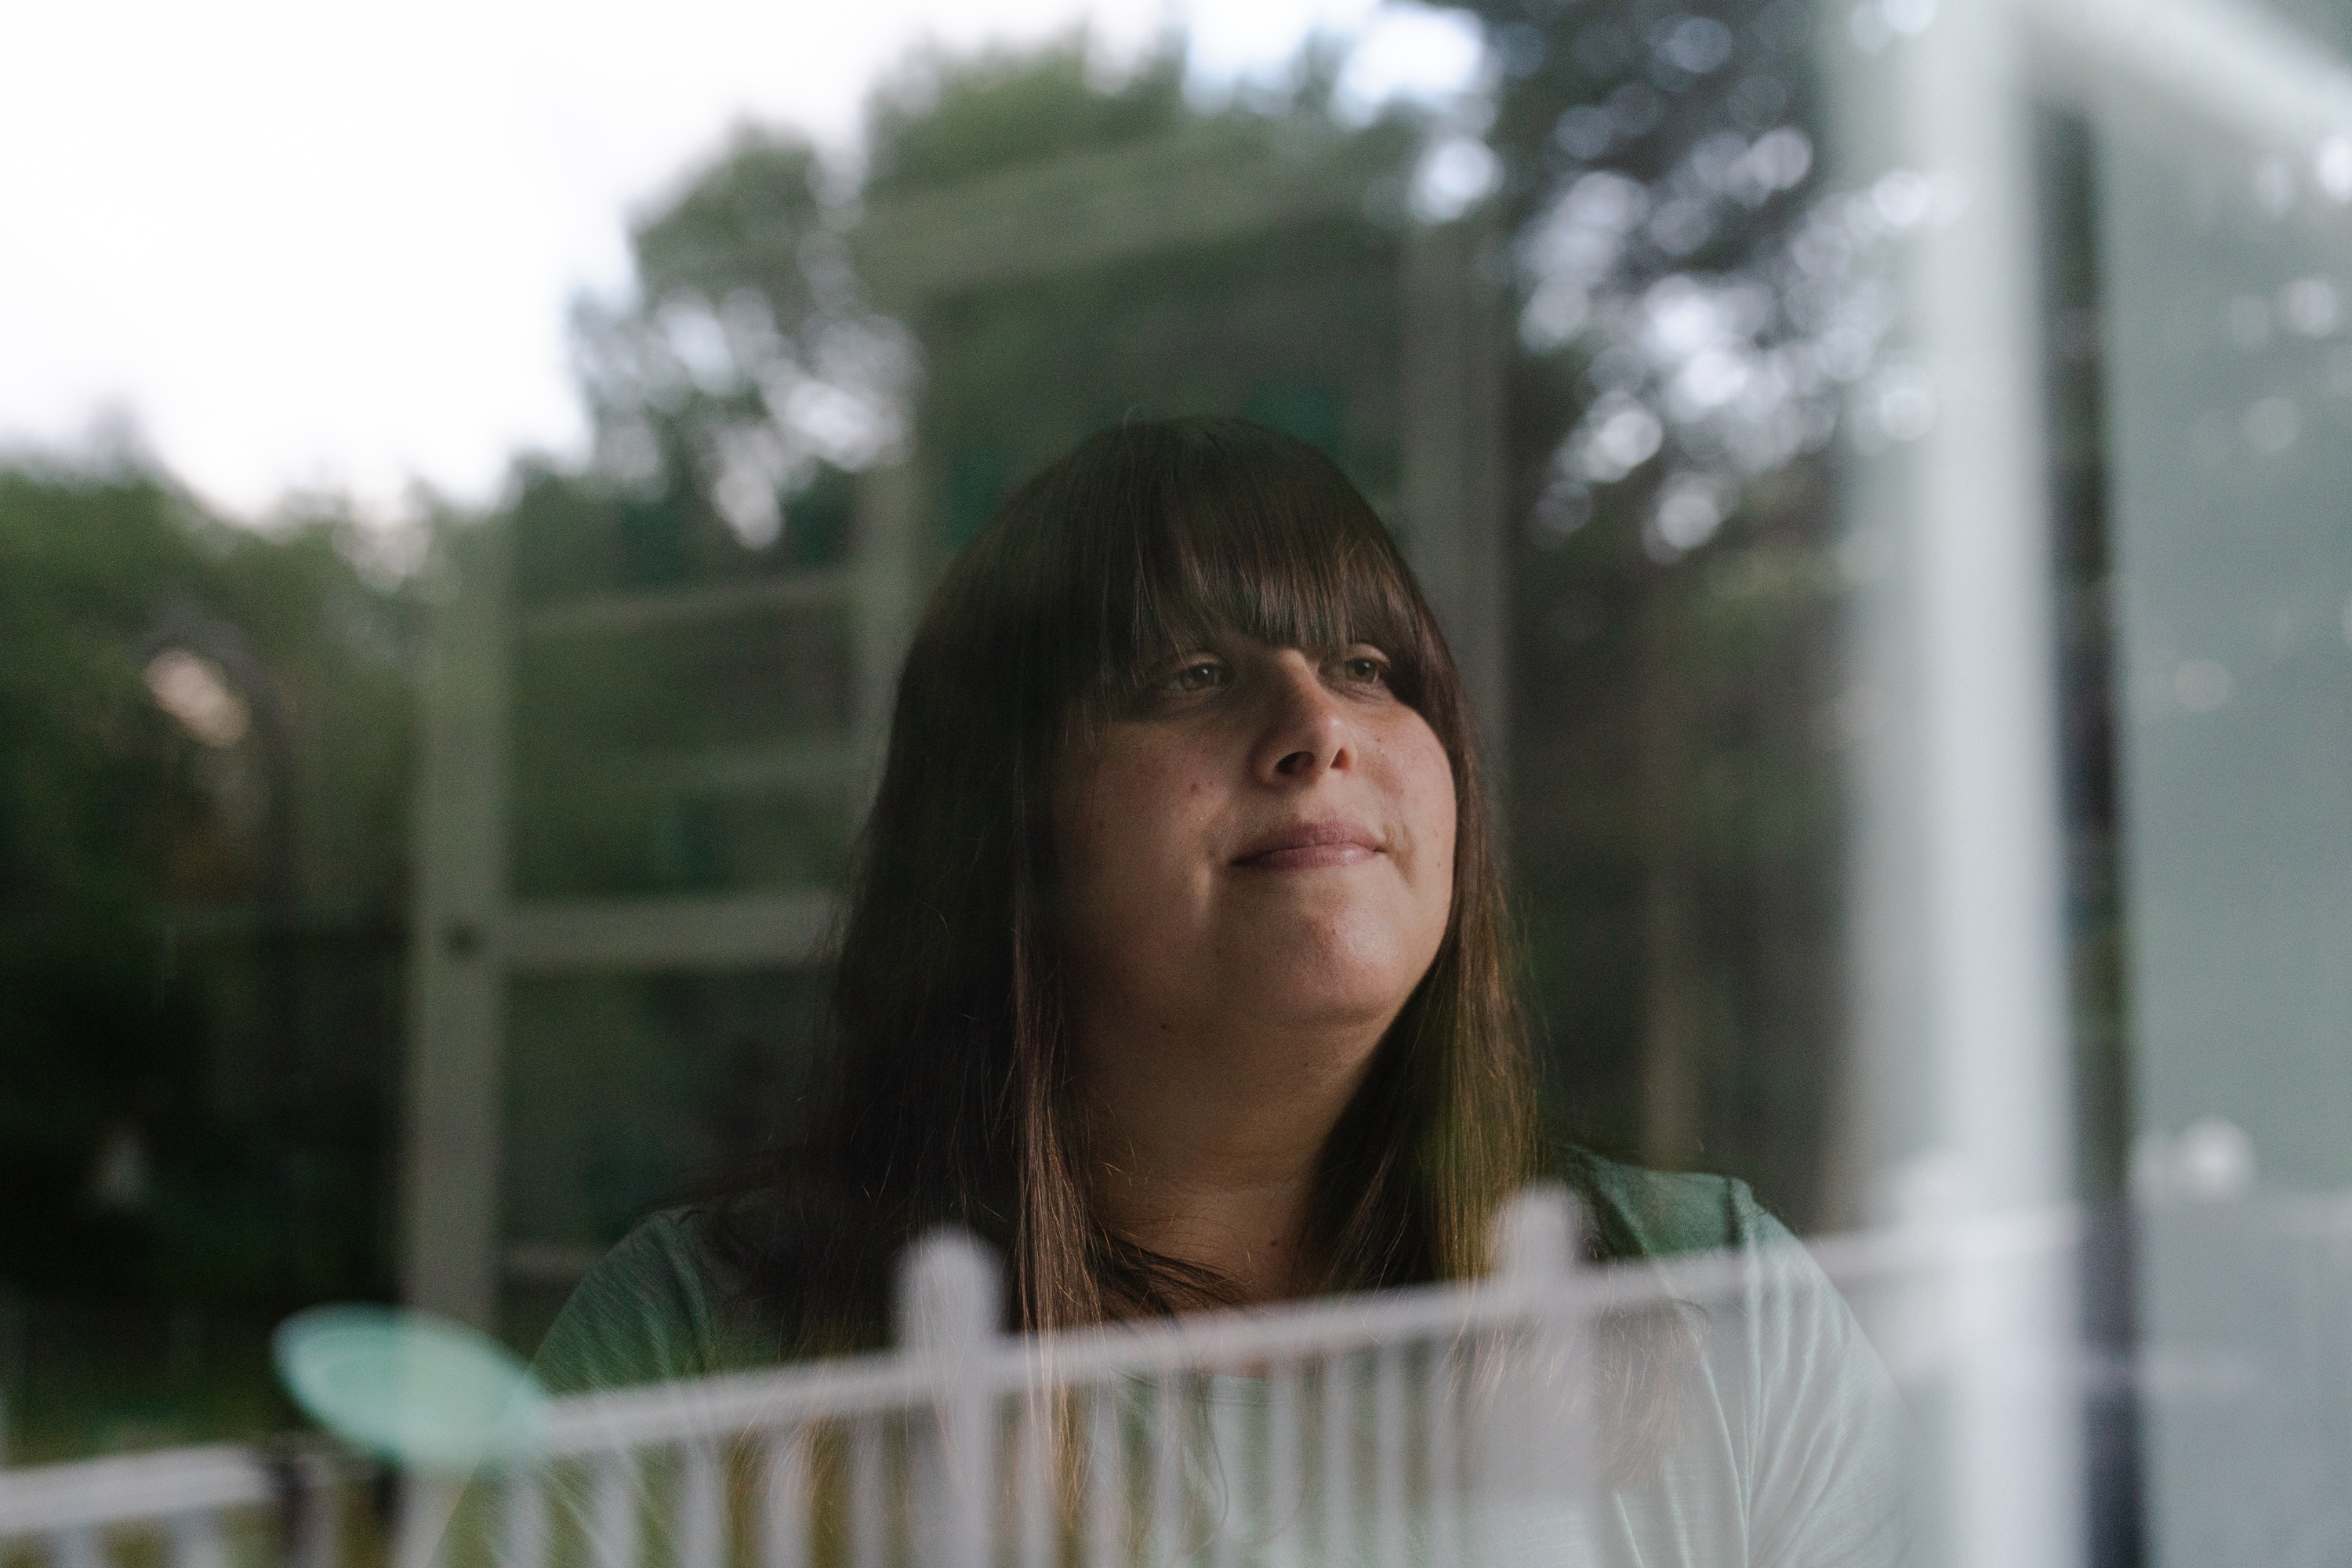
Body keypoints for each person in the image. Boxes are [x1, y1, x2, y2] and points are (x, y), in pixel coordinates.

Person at [513, 417, 1910, 1566]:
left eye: (1369, 668)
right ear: (999, 825)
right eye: (1191, 674)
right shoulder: (702, 1351)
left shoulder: (1729, 1314)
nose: (1318, 729)